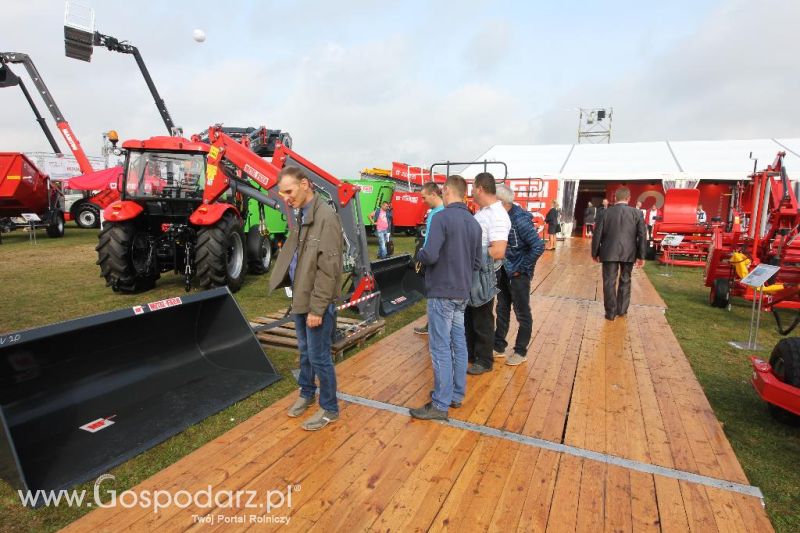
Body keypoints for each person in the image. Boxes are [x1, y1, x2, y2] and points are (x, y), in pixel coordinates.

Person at [269, 166, 344, 431]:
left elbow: (329, 268)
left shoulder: (326, 217)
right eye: (282, 194)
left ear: (305, 184)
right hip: (302, 299)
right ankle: (306, 393)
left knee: (319, 356)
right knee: (305, 352)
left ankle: (330, 408)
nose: (285, 198)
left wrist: (318, 308)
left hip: (316, 304)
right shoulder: (303, 215)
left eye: (288, 192)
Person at [410, 175, 482, 420]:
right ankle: (455, 395)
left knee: (440, 347)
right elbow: (477, 262)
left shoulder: (441, 218)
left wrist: (419, 253)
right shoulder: (474, 223)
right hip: (461, 292)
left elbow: (429, 255)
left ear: (446, 191)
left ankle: (440, 404)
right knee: (458, 343)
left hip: (441, 291)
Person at [494, 185, 544, 366]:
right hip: (503, 271)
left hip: (517, 274)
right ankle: (499, 346)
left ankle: (520, 351)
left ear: (501, 202)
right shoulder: (501, 218)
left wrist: (521, 268)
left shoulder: (520, 219)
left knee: (522, 313)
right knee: (502, 309)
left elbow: (538, 246)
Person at [466, 172, 511, 375]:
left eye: (473, 187)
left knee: (482, 316)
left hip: (484, 273)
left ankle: (484, 360)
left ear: (480, 188)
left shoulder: (497, 215)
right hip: (476, 270)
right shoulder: (484, 211)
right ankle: (472, 353)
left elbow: (499, 250)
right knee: (471, 313)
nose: (471, 191)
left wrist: (470, 257)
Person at [591, 187, 647, 322]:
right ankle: (621, 310)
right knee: (626, 280)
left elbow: (597, 234)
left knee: (609, 282)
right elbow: (642, 235)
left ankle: (610, 313)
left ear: (615, 198)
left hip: (609, 251)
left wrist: (595, 252)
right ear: (628, 198)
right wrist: (642, 255)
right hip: (629, 252)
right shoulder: (637, 213)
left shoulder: (604, 213)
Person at [414, 182, 445, 336]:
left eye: (424, 197)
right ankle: (431, 324)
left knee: (435, 295)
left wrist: (425, 255)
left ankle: (434, 328)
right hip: (431, 256)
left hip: (434, 259)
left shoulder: (440, 213)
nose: (423, 200)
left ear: (433, 194)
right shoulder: (436, 211)